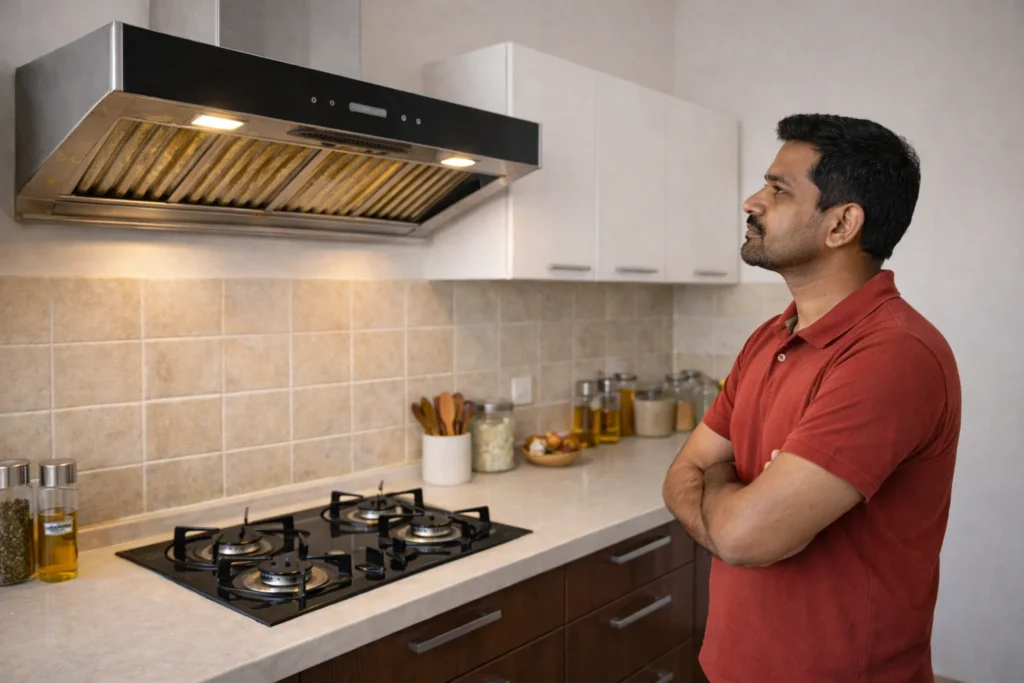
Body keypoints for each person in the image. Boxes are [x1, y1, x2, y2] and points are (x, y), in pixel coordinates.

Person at [663, 114, 961, 683]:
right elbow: (683, 470)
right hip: (730, 665)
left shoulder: (892, 356)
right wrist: (732, 509)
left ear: (842, 224)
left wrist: (723, 499)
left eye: (778, 189)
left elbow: (746, 536)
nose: (753, 201)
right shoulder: (771, 336)